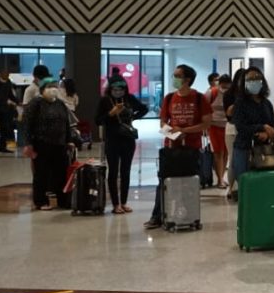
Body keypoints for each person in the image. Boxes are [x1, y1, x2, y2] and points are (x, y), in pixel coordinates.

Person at [145, 64, 212, 229]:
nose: (174, 78)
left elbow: (206, 123)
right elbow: (162, 123)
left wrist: (185, 131)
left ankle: (189, 215)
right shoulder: (168, 98)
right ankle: (157, 215)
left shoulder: (199, 98)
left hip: (192, 148)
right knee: (164, 181)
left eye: (177, 75)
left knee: (190, 182)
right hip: (171, 147)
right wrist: (173, 134)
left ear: (187, 79)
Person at [22, 78, 81, 210]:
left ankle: (63, 200)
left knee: (61, 172)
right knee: (41, 173)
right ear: (43, 89)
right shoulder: (36, 103)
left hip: (59, 144)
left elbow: (66, 123)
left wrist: (69, 140)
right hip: (41, 143)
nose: (53, 89)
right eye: (49, 86)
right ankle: (41, 201)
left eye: (55, 86)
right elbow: (26, 124)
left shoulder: (60, 104)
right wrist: (28, 143)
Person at [96, 79, 149, 214]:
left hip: (128, 139)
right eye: (115, 90)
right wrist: (111, 113)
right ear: (110, 90)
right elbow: (98, 120)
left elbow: (144, 108)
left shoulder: (129, 99)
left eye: (121, 90)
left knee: (126, 171)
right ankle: (115, 204)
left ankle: (124, 202)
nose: (118, 92)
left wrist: (133, 117)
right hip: (112, 139)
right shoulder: (105, 101)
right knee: (113, 172)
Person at [229, 66, 274, 201]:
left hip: (264, 150)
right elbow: (240, 126)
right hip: (244, 149)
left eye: (257, 78)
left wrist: (267, 134)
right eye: (250, 79)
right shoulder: (240, 103)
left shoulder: (267, 104)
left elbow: (273, 126)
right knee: (246, 185)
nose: (254, 82)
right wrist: (261, 127)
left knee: (263, 186)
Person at [206, 73, 232, 190]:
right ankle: (220, 179)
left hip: (227, 126)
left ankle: (222, 177)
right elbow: (205, 108)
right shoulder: (212, 92)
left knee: (226, 153)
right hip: (214, 126)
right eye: (223, 85)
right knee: (218, 153)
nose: (225, 88)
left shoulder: (231, 94)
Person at [223, 69, 246, 196]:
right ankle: (231, 188)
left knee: (243, 159)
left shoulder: (247, 95)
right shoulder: (229, 94)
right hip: (232, 128)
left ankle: (240, 186)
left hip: (244, 128)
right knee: (232, 159)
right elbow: (228, 113)